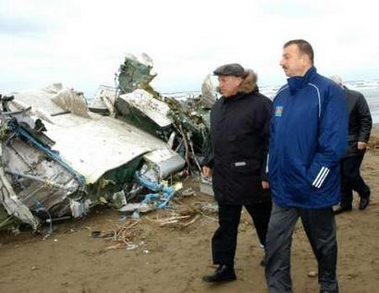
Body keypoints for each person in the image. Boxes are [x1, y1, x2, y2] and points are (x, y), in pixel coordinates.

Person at [265, 39, 348, 293]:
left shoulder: (327, 91)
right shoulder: (280, 95)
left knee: (323, 244)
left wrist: (313, 179)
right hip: (283, 190)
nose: (281, 62)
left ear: (305, 59)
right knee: (275, 243)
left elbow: (333, 145)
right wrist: (271, 173)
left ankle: (328, 285)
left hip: (314, 190)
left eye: (286, 56)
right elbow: (273, 141)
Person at [201, 63, 273, 283]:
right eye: (219, 80)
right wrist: (209, 161)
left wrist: (266, 174)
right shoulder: (218, 107)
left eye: (224, 80)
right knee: (226, 224)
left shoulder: (261, 105)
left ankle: (272, 253)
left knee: (264, 221)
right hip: (224, 178)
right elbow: (214, 139)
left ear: (239, 80)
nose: (219, 85)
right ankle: (225, 267)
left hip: (252, 179)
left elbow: (273, 143)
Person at [330, 75, 372, 214]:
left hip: (355, 143)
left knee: (349, 174)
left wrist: (362, 139)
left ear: (340, 85)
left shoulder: (356, 97)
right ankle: (345, 203)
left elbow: (366, 119)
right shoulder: (327, 100)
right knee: (340, 175)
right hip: (336, 144)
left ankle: (364, 192)